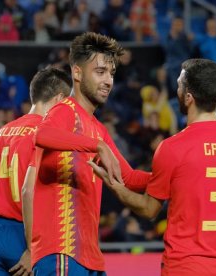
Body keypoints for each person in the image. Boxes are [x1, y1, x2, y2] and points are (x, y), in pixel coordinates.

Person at [90, 59, 216, 276]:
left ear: (188, 97)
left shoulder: (172, 148)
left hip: (184, 266)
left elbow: (149, 210)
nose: (176, 89)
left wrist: (114, 185)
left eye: (179, 84)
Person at [28, 32, 150, 275]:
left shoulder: (98, 128)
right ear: (77, 73)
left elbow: (129, 178)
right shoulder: (64, 110)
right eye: (100, 72)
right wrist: (97, 146)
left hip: (89, 256)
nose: (108, 81)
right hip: (61, 252)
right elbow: (41, 135)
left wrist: (174, 174)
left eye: (111, 74)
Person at [0, 67, 72, 275]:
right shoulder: (46, 137)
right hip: (25, 235)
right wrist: (31, 248)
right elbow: (32, 194)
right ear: (60, 99)